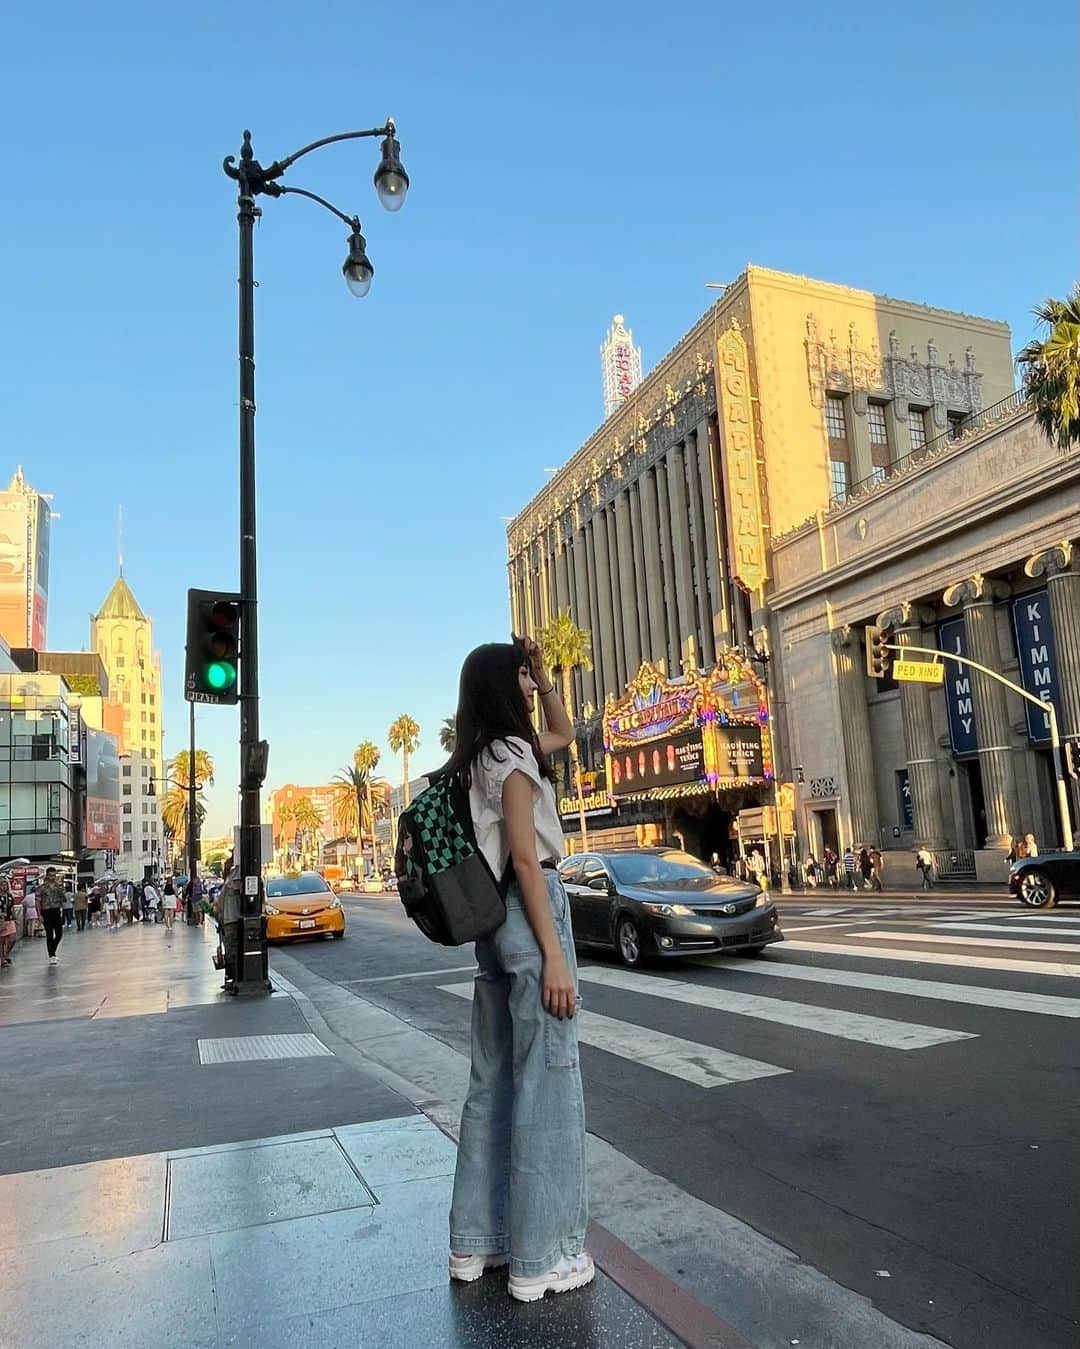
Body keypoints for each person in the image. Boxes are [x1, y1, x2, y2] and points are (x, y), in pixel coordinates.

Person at [445, 635, 592, 1304]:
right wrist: (555, 954)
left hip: (491, 927)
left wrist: (544, 671)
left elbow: (562, 729)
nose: (533, 686)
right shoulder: (510, 757)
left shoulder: (481, 755)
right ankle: (542, 1257)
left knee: (493, 1080)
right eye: (524, 678)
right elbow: (528, 861)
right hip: (530, 913)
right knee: (548, 1080)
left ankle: (478, 1241)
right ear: (503, 687)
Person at [36, 866, 66, 965]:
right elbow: (38, 902)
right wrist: (39, 915)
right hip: (46, 911)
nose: (52, 877)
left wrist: (60, 889)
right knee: (49, 933)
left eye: (54, 875)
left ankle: (53, 950)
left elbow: (64, 898)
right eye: (50, 875)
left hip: (56, 911)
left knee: (59, 933)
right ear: (47, 876)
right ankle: (51, 955)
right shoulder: (41, 888)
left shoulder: (59, 887)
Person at [0, 879, 16, 966]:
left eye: (5, 885)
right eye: (2, 885)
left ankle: (6, 954)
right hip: (1, 921)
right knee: (1, 942)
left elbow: (12, 907)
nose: (4, 887)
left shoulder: (9, 896)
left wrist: (15, 916)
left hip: (9, 920)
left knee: (13, 939)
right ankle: (2, 959)